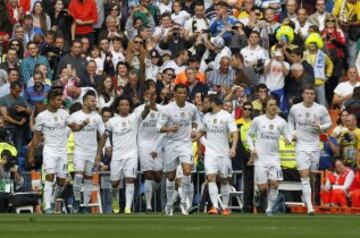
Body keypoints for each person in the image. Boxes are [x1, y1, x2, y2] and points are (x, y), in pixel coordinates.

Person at [28, 89, 85, 213]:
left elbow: (74, 127)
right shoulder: (42, 116)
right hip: (49, 150)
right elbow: (37, 136)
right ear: (51, 101)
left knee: (61, 181)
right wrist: (31, 154)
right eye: (58, 100)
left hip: (62, 151)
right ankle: (47, 205)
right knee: (49, 176)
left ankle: (53, 199)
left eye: (61, 99)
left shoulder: (64, 114)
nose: (60, 102)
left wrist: (82, 125)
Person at [156, 83, 201, 216]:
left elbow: (196, 120)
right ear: (174, 94)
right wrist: (169, 129)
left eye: (184, 93)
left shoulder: (191, 108)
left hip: (185, 143)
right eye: (179, 93)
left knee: (187, 171)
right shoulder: (167, 109)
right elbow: (158, 127)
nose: (182, 95)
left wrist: (193, 130)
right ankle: (169, 204)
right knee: (171, 176)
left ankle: (184, 203)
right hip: (171, 143)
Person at [288, 85, 332, 215]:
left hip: (314, 145)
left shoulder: (321, 109)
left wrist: (321, 127)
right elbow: (290, 122)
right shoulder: (295, 109)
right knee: (304, 175)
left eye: (311, 93)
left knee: (312, 177)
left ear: (314, 95)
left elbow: (329, 123)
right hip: (301, 146)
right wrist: (292, 133)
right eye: (307, 93)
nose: (309, 95)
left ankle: (306, 196)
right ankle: (310, 207)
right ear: (303, 94)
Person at [96, 95, 143, 214]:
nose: (124, 107)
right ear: (117, 107)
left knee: (130, 179)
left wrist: (151, 100)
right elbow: (104, 137)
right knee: (115, 183)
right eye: (122, 105)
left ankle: (128, 207)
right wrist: (98, 153)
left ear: (130, 107)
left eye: (127, 105)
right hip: (117, 155)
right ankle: (115, 199)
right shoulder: (112, 121)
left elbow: (146, 111)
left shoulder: (135, 118)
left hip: (131, 154)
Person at [247, 95, 291, 215]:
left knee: (275, 184)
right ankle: (257, 193)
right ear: (265, 107)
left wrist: (289, 139)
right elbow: (249, 135)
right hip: (260, 159)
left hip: (274, 158)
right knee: (263, 187)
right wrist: (252, 149)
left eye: (275, 105)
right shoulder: (258, 120)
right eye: (271, 105)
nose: (273, 107)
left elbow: (288, 136)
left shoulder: (281, 122)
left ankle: (269, 209)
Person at [199, 94, 238, 215]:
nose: (205, 105)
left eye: (206, 102)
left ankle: (225, 207)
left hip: (224, 153)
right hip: (210, 153)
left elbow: (235, 132)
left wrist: (233, 148)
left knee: (225, 180)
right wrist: (190, 139)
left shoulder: (226, 116)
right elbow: (201, 132)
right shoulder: (206, 117)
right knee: (211, 178)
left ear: (213, 103)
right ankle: (215, 207)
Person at [69, 90, 105, 213]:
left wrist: (105, 148)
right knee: (78, 175)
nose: (94, 103)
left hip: (92, 151)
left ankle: (84, 205)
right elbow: (68, 131)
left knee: (89, 178)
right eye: (92, 100)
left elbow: (103, 134)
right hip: (79, 150)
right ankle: (77, 200)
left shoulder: (97, 117)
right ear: (84, 101)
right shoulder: (75, 116)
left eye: (95, 101)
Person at [133, 83, 163, 212]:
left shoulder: (162, 109)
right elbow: (139, 121)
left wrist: (157, 147)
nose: (152, 96)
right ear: (145, 95)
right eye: (149, 94)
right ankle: (149, 206)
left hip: (157, 144)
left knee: (158, 176)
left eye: (154, 94)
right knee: (148, 174)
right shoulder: (139, 110)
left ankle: (147, 192)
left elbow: (164, 129)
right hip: (143, 144)